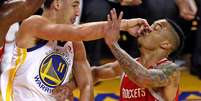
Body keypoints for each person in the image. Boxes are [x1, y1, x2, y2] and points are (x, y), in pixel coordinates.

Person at [0, 0, 152, 100]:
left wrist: (71, 88)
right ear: (58, 3)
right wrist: (123, 24)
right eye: (74, 5)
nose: (78, 12)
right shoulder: (33, 24)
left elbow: (86, 84)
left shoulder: (75, 42)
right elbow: (80, 32)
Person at [56, 16, 184, 100]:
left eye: (156, 28)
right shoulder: (127, 65)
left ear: (165, 44)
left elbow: (144, 78)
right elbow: (94, 73)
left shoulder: (171, 70)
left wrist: (113, 45)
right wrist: (69, 87)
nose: (148, 28)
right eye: (150, 25)